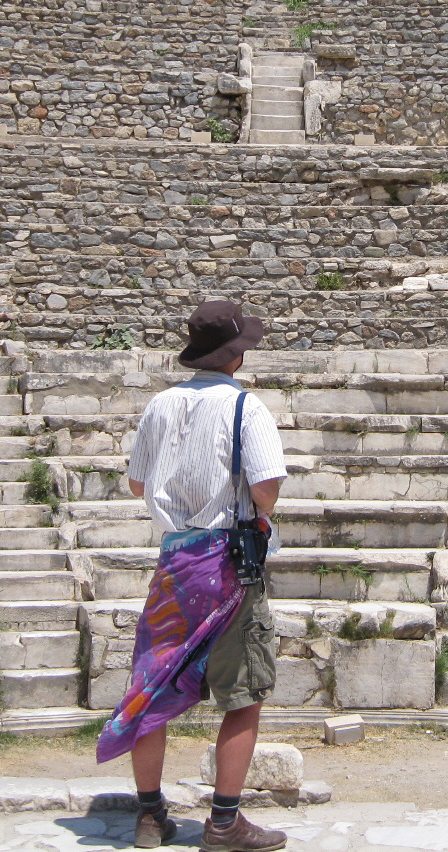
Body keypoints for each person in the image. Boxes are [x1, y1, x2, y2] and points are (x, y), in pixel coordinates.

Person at [96, 299, 289, 852]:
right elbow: (266, 487)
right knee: (243, 692)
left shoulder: (158, 405)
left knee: (152, 685)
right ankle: (224, 823)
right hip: (229, 562)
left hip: (175, 562)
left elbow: (137, 485)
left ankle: (151, 816)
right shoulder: (245, 409)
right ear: (236, 354)